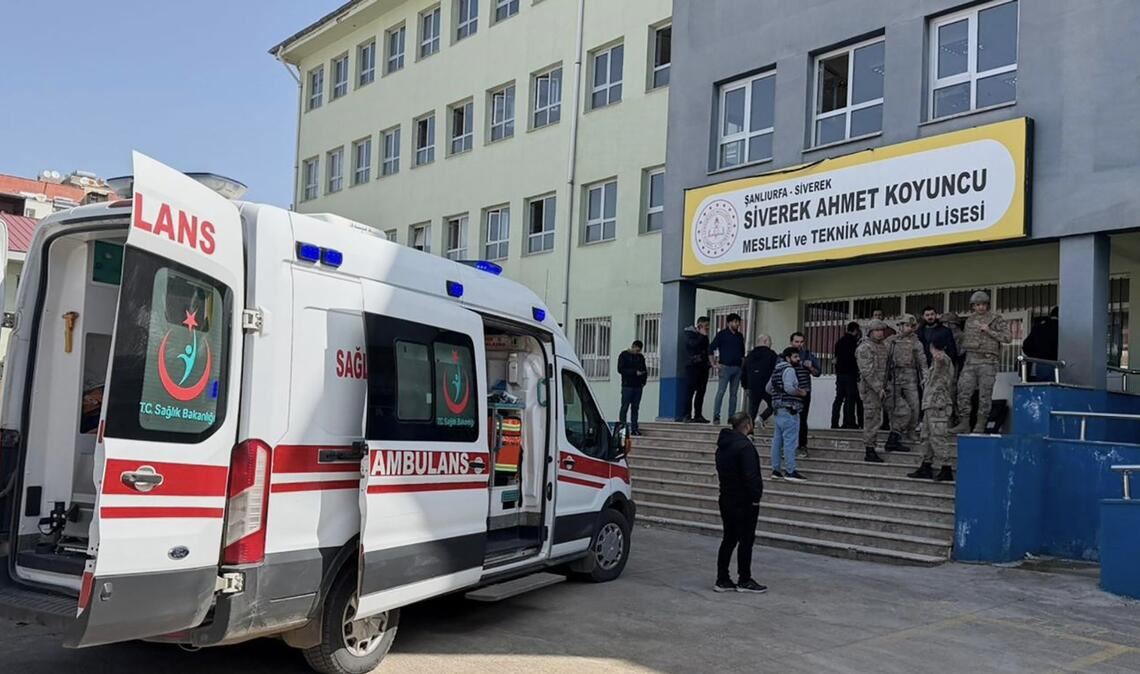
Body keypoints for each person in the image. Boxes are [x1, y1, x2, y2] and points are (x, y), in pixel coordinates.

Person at [714, 412, 767, 594]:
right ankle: (744, 578)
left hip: (726, 496)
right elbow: (751, 475)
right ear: (747, 424)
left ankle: (722, 578)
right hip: (743, 500)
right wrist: (755, 497)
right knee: (746, 540)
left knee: (729, 538)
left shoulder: (723, 445)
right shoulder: (745, 447)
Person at [952, 291, 1012, 434]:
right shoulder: (969, 320)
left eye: (983, 304)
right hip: (970, 361)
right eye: (977, 305)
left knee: (985, 395)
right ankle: (964, 423)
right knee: (963, 392)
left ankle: (980, 424)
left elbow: (1008, 337)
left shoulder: (995, 318)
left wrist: (989, 330)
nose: (981, 308)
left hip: (987, 361)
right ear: (973, 306)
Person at [908, 332, 956, 482]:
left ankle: (946, 468)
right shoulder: (935, 362)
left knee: (938, 437)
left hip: (938, 404)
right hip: (930, 404)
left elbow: (942, 362)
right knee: (926, 437)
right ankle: (926, 465)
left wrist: (939, 356)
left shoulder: (942, 359)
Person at [885, 314, 927, 451]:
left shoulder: (916, 342)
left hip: (910, 375)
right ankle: (895, 432)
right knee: (895, 406)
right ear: (900, 326)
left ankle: (911, 431)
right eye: (906, 325)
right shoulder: (890, 341)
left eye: (911, 326)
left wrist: (925, 378)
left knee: (914, 405)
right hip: (894, 376)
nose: (909, 328)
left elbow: (922, 362)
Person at [767, 347, 807, 482]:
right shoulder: (789, 370)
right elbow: (789, 388)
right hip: (790, 410)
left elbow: (768, 388)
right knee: (790, 442)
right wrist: (800, 392)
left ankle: (776, 470)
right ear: (788, 358)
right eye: (795, 357)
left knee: (777, 442)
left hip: (778, 411)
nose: (798, 359)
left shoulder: (776, 369)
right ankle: (790, 471)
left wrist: (778, 396)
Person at [855, 319, 890, 463]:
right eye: (877, 330)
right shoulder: (865, 347)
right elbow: (867, 371)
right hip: (871, 390)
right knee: (872, 419)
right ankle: (869, 449)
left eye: (881, 330)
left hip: (883, 387)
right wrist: (878, 387)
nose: (880, 333)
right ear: (870, 331)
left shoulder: (883, 346)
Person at [710, 313, 746, 424]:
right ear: (729, 323)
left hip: (737, 368)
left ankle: (731, 417)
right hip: (725, 367)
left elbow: (742, 353)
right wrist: (714, 364)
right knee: (721, 391)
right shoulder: (722, 334)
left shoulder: (739, 336)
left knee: (734, 394)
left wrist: (742, 366)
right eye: (735, 322)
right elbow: (711, 348)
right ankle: (716, 416)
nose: (737, 324)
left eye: (738, 322)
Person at [789, 332, 820, 455]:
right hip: (789, 393)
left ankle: (802, 446)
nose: (799, 344)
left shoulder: (808, 355)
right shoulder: (785, 355)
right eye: (796, 342)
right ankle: (788, 446)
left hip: (804, 392)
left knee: (802, 419)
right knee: (789, 420)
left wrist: (810, 368)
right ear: (791, 342)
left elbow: (818, 373)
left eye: (801, 342)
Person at [832, 322, 863, 429]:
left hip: (840, 374)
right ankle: (849, 422)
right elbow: (855, 359)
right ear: (855, 330)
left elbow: (836, 359)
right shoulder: (854, 342)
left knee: (839, 398)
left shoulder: (839, 342)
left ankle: (834, 423)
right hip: (850, 374)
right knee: (850, 398)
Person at [742, 334, 778, 427]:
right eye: (770, 342)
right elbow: (776, 370)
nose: (771, 344)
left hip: (753, 386)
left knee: (752, 410)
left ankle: (749, 432)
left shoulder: (749, 355)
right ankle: (762, 417)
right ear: (765, 341)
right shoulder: (772, 354)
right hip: (767, 386)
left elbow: (743, 372)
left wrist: (745, 386)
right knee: (774, 404)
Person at [683, 317, 712, 423]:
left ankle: (698, 415)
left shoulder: (705, 337)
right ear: (699, 326)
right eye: (706, 326)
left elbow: (707, 349)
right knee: (689, 392)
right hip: (692, 367)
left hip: (703, 367)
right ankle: (687, 415)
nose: (708, 328)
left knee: (701, 392)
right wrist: (702, 335)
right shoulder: (690, 334)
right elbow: (693, 345)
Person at [617, 340, 648, 435]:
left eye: (639, 351)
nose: (637, 352)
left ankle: (634, 428)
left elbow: (644, 370)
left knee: (635, 408)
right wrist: (634, 372)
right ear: (633, 347)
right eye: (637, 350)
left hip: (638, 386)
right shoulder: (624, 355)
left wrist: (643, 382)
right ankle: (622, 428)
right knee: (625, 407)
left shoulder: (640, 357)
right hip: (627, 385)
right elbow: (620, 369)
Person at [1021, 307, 1059, 382]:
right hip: (1055, 366)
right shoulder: (1062, 329)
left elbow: (1026, 346)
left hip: (1036, 366)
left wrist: (1036, 356)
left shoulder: (1039, 327)